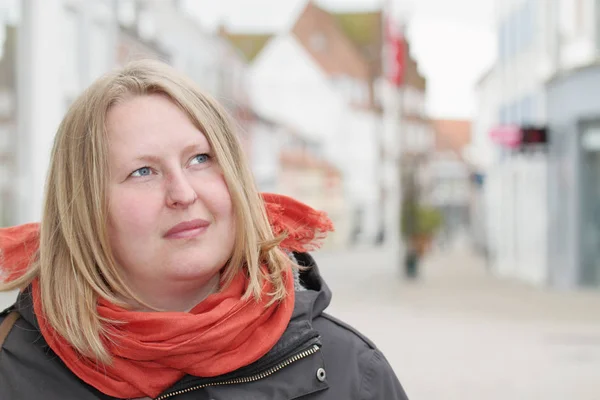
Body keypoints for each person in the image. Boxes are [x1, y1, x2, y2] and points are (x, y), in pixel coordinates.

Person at [0, 59, 409, 400]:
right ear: (85, 207)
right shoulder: (11, 369)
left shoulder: (350, 374)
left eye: (199, 159)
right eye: (144, 171)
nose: (183, 192)